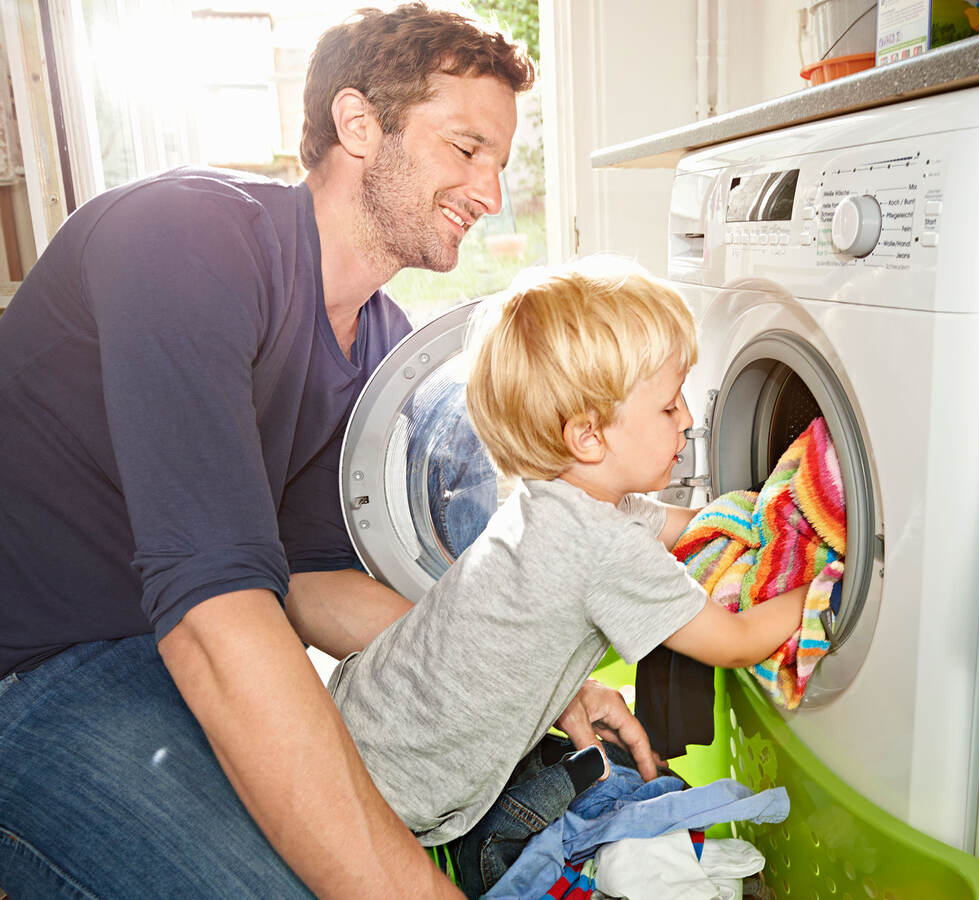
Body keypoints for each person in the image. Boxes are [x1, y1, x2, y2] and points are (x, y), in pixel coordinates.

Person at [0, 6, 656, 898]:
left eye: (500, 163)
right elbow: (214, 616)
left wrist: (521, 678)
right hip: (31, 665)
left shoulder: (381, 343)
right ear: (358, 124)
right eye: (467, 150)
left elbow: (307, 583)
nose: (491, 192)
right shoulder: (187, 243)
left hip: (160, 644)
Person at [330, 260, 809, 897]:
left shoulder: (556, 501)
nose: (690, 419)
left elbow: (684, 524)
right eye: (669, 405)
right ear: (587, 436)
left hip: (355, 713)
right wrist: (822, 581)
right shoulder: (600, 548)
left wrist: (773, 513)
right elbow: (738, 641)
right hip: (399, 791)